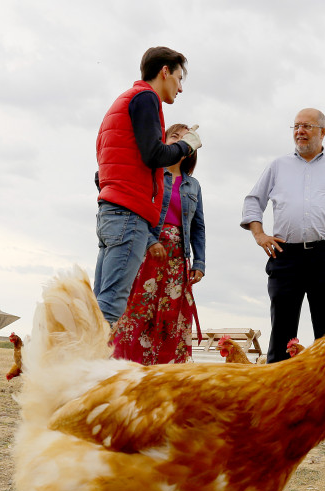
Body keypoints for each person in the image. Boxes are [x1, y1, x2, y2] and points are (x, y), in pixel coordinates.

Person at [240, 108, 325, 363]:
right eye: (295, 126)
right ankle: (278, 398)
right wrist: (259, 234)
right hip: (285, 256)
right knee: (281, 333)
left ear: (323, 132)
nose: (299, 131)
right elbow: (252, 201)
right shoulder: (277, 166)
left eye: (306, 126)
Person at [94, 46, 202, 325]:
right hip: (130, 214)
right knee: (112, 303)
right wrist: (185, 145)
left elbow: (101, 172)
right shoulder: (146, 98)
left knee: (99, 303)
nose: (180, 89)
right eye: (179, 79)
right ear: (165, 72)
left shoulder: (121, 102)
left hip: (110, 212)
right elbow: (154, 154)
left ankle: (77, 364)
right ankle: (87, 368)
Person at [111, 123, 206, 365]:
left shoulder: (193, 185)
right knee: (139, 312)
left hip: (177, 259)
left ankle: (166, 373)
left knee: (171, 317)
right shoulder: (149, 172)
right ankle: (126, 367)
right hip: (146, 252)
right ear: (163, 139)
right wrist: (152, 241)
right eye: (174, 135)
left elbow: (198, 226)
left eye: (186, 139)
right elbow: (137, 210)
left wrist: (199, 262)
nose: (179, 141)